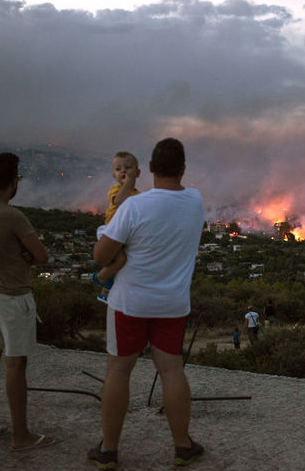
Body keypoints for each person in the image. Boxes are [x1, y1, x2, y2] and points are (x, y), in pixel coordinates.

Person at [88, 138, 205, 469]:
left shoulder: (133, 206)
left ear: (150, 168)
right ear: (183, 169)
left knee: (119, 371)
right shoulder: (196, 201)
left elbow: (101, 255)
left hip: (129, 303)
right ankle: (183, 446)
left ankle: (109, 451)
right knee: (171, 370)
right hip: (172, 304)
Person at [0, 153, 56, 450]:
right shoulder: (12, 215)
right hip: (12, 296)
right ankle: (21, 435)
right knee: (16, 365)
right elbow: (42, 255)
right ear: (13, 181)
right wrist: (27, 255)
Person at [93, 151, 142, 303]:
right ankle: (100, 277)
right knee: (120, 260)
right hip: (110, 231)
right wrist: (128, 183)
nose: (123, 171)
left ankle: (105, 293)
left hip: (125, 233)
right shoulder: (115, 189)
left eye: (128, 167)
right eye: (118, 169)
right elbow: (119, 201)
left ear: (137, 172)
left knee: (122, 263)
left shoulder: (138, 194)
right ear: (114, 175)